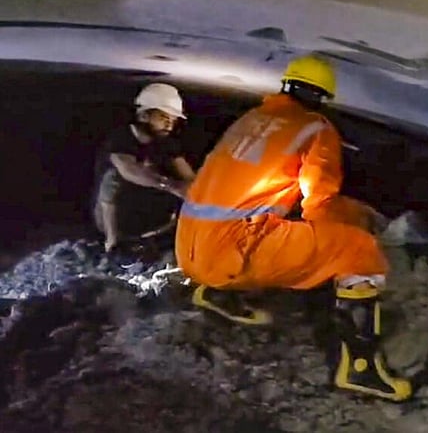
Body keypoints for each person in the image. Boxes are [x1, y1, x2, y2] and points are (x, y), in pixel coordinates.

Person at [175, 54, 411, 402]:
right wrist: (345, 237)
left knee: (276, 227)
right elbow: (319, 202)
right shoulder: (315, 128)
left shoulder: (251, 118)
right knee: (358, 249)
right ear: (320, 98)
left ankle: (214, 291)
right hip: (232, 253)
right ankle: (362, 371)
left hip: (189, 249)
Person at [92, 83, 195, 257]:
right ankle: (113, 241)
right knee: (113, 178)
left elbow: (188, 175)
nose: (169, 125)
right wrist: (171, 186)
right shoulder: (121, 139)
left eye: (173, 120)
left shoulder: (166, 143)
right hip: (119, 222)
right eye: (163, 117)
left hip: (156, 224)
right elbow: (129, 170)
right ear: (144, 115)